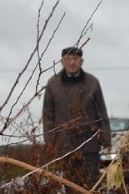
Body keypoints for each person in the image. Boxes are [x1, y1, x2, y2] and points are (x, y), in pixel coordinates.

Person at [42, 46, 111, 186]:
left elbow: (101, 112)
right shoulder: (53, 84)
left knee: (91, 183)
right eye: (68, 59)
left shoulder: (92, 83)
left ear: (81, 61)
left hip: (89, 144)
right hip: (65, 144)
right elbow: (48, 115)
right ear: (62, 62)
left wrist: (106, 139)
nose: (72, 62)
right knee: (70, 183)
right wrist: (50, 142)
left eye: (76, 59)